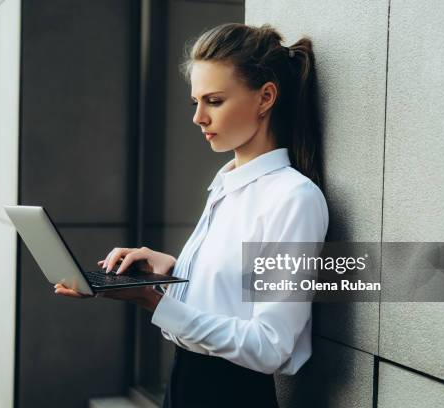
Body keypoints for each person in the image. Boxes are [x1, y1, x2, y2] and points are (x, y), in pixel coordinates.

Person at [55, 23, 328, 408]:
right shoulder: (226, 185)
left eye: (214, 101)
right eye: (195, 102)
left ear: (266, 97)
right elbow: (230, 294)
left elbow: (270, 346)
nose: (198, 117)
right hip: (185, 383)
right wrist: (171, 269)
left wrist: (153, 301)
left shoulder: (292, 198)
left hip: (231, 396)